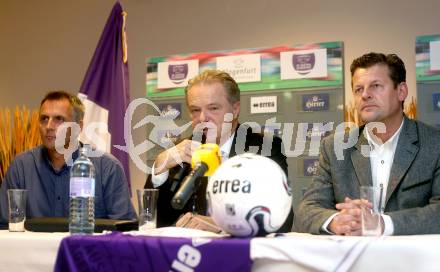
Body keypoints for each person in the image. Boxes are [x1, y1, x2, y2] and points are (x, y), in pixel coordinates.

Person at [294, 52, 440, 235]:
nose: (365, 95)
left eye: (376, 86)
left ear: (401, 91)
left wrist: (382, 224)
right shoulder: (334, 147)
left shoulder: (435, 144)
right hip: (353, 262)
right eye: (358, 89)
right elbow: (307, 210)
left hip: (416, 262)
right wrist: (337, 221)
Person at [145, 69, 291, 230]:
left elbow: (280, 218)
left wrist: (222, 227)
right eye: (195, 110)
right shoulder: (182, 150)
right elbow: (155, 222)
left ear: (235, 109)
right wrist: (160, 168)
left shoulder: (265, 147)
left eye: (213, 108)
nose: (202, 118)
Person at [0, 91, 136, 226]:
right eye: (44, 119)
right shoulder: (21, 166)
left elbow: (125, 229)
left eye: (59, 119)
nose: (48, 127)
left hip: (87, 248)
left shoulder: (107, 168)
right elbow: (5, 227)